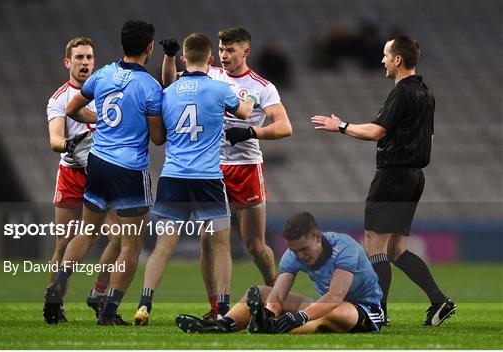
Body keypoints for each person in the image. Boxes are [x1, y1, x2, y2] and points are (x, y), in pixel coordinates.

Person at [311, 36, 456, 326]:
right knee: (396, 250)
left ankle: (378, 312)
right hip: (415, 177)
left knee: (374, 247)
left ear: (398, 60)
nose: (382, 60)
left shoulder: (401, 93)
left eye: (386, 55)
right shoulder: (426, 94)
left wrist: (340, 126)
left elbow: (377, 131)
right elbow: (428, 137)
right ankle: (439, 301)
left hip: (393, 175)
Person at [162, 27, 293, 318]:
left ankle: (277, 295)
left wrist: (251, 132)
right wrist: (170, 58)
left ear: (245, 52)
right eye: (221, 50)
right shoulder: (209, 75)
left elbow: (285, 126)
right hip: (211, 169)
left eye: (230, 50)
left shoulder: (262, 86)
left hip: (246, 168)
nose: (224, 55)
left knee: (254, 244)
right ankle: (215, 307)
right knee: (208, 241)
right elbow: (170, 85)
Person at [43, 20, 165, 326]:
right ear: (150, 48)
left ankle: (60, 280)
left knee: (86, 232)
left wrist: (100, 119)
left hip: (97, 163)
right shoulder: (149, 85)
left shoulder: (104, 73)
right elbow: (157, 137)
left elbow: (72, 109)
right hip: (129, 169)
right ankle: (109, 311)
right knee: (130, 243)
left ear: (121, 45)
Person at [132, 33, 258, 326]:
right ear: (211, 60)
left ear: (184, 60)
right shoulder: (220, 89)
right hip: (208, 179)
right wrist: (250, 97)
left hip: (173, 177)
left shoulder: (169, 92)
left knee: (163, 246)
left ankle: (144, 304)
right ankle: (224, 309)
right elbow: (245, 113)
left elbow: (159, 138)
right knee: (221, 246)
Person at [175, 211, 384, 334]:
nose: (300, 255)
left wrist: (299, 316)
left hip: (365, 310)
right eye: (295, 251)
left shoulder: (345, 247)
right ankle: (223, 324)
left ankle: (270, 329)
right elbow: (278, 294)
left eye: (304, 249)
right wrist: (269, 311)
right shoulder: (293, 254)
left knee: (323, 311)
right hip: (324, 304)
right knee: (259, 291)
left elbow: (336, 296)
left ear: (317, 238)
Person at [45, 37, 120, 322]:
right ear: (68, 63)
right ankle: (55, 303)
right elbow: (55, 141)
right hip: (72, 174)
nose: (85, 62)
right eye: (79, 58)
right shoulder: (60, 98)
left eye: (89, 57)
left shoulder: (104, 93)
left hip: (102, 172)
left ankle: (99, 295)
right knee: (63, 243)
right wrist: (72, 145)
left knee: (120, 237)